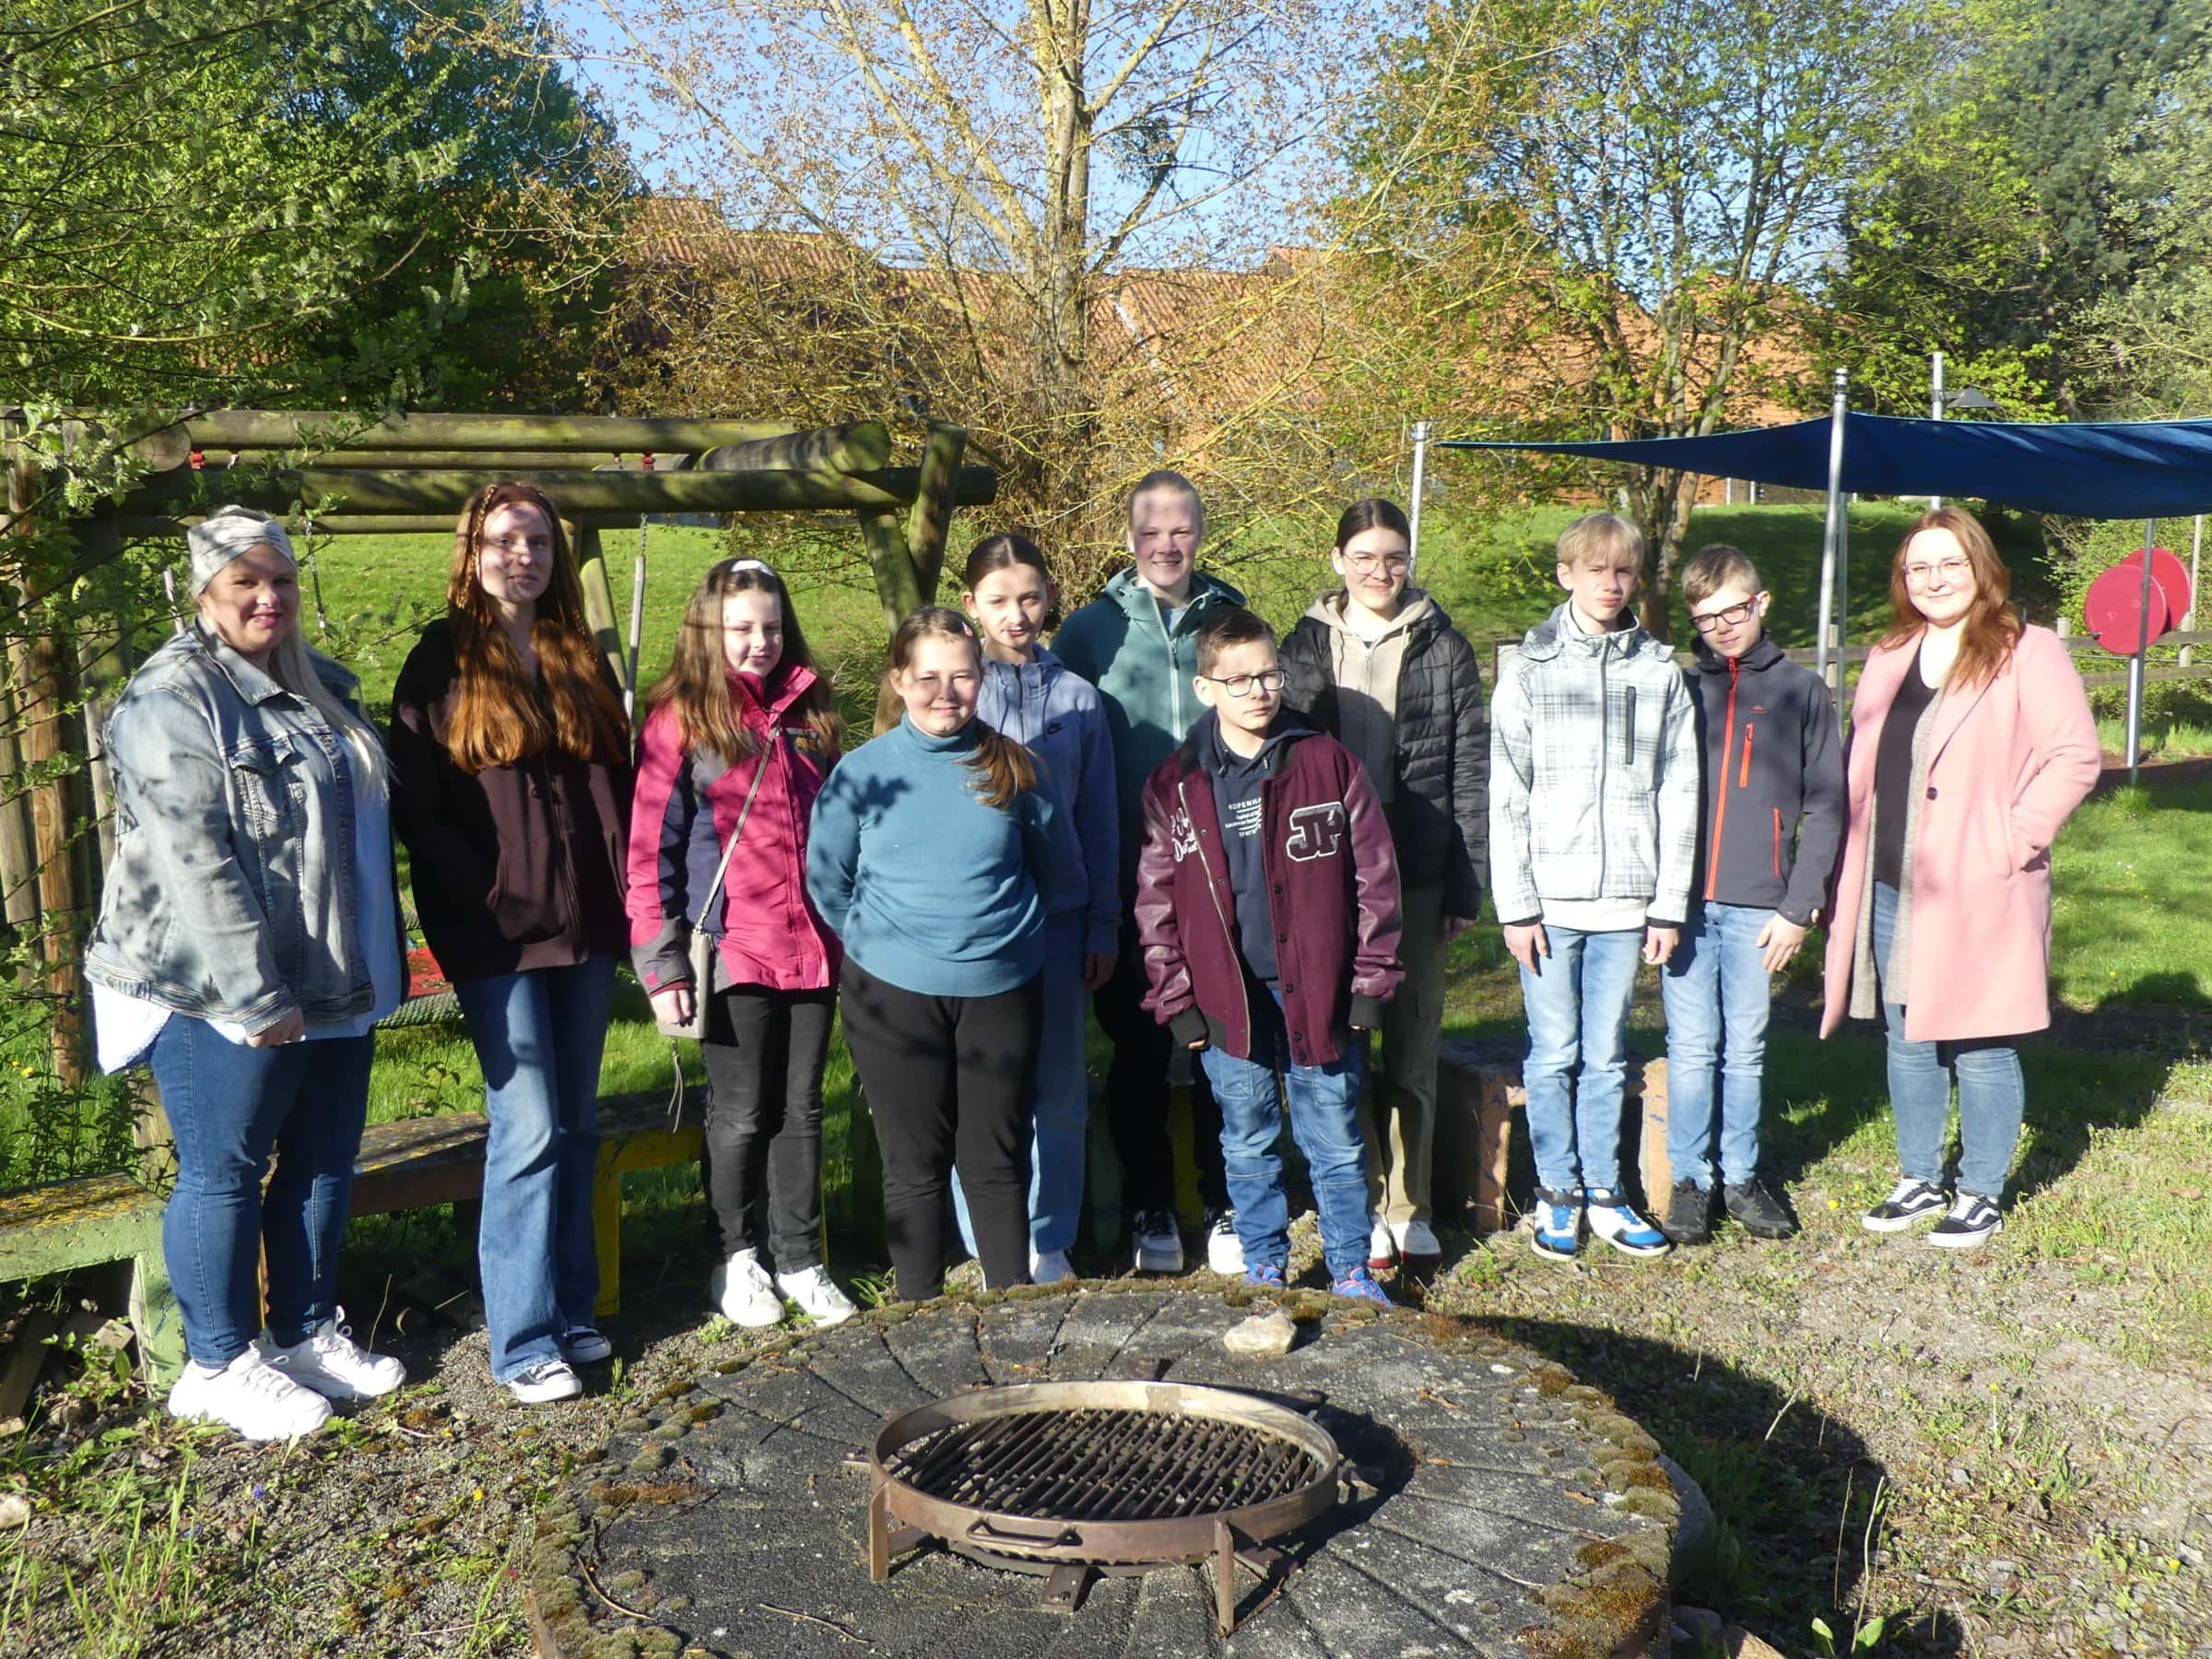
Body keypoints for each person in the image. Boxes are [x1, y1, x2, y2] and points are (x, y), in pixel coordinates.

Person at [84, 506, 406, 1441]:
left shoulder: (320, 686)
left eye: (282, 581)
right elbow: (197, 858)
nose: (269, 598)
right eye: (245, 584)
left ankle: (303, 1333)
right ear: (203, 593)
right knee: (224, 1168)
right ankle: (218, 1363)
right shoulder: (169, 701)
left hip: (332, 975)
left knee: (319, 1161)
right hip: (214, 984)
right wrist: (254, 994)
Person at [388, 481, 633, 1403]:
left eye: (536, 540)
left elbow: (613, 789)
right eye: (504, 540)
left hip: (585, 928)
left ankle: (573, 1308)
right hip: (495, 934)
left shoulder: (577, 653)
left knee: (575, 1122)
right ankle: (522, 1337)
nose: (521, 555)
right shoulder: (438, 661)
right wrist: (479, 895)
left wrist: (626, 901)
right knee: (526, 1124)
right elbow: (418, 802)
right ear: (472, 551)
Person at [1820, 507, 2098, 1248]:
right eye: (1919, 566)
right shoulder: (1888, 654)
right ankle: (1918, 1176)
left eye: (1949, 563)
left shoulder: (2026, 651)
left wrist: (2012, 840)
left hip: (1978, 883)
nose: (1934, 579)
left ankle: (1980, 1188)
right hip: (1892, 881)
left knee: (1979, 1040)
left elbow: (2074, 755)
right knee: (1906, 1035)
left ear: (1980, 569)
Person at [806, 606, 1085, 1302]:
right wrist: (893, 943)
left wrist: (992, 940)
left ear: (982, 677)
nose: (945, 693)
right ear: (899, 680)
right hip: (892, 994)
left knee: (993, 1159)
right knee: (913, 1164)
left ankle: (1011, 1310)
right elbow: (827, 882)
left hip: (1002, 988)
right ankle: (918, 1320)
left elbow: (1060, 880)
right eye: (927, 677)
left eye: (962, 676)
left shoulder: (1018, 769)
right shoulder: (861, 774)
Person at [1134, 605, 1405, 1304]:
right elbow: (1155, 899)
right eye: (1239, 680)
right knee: (1247, 1139)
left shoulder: (1326, 761)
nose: (1258, 691)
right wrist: (1176, 1000)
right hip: (1229, 999)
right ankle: (1264, 1261)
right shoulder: (1177, 783)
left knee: (1335, 1136)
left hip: (1321, 991)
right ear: (1205, 688)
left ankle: (1348, 1268)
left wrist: (1369, 983)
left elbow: (1375, 877)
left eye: (1268, 675)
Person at [627, 559, 856, 1330]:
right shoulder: (681, 721)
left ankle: (801, 1257)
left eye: (770, 626)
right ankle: (736, 1257)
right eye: (740, 629)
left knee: (803, 1111)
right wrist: (661, 964)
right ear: (708, 631)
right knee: (741, 1112)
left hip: (813, 945)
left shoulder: (810, 713)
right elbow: (649, 850)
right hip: (732, 947)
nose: (758, 642)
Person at [1280, 498, 1486, 1274]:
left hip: (1419, 866)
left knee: (1413, 1045)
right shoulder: (1301, 645)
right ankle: (1358, 1201)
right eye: (1363, 557)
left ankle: (1412, 1205)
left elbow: (1470, 768)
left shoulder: (1445, 644)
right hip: (1329, 873)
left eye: (1393, 556)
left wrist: (1467, 883)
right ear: (1337, 561)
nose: (1379, 571)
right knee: (1341, 1041)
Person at [1490, 512, 1698, 1263]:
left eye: (1623, 571)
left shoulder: (1659, 671)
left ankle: (1606, 1193)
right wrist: (1516, 906)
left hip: (1628, 902)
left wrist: (1668, 902)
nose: (1610, 585)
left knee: (1606, 1055)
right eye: (1595, 569)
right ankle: (1557, 1192)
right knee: (1552, 1053)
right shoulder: (1531, 670)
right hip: (1548, 904)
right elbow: (1506, 795)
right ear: (1565, 574)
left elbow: (1681, 791)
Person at [1053, 470, 1240, 1275]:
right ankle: (1147, 1206)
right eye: (1151, 530)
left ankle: (1228, 1199)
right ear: (1129, 538)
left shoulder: (1230, 617)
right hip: (1132, 879)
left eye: (1183, 529)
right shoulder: (1089, 633)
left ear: (1202, 532)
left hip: (1225, 876)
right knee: (1137, 1051)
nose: (1168, 545)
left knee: (1225, 1047)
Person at [1658, 545, 1844, 1245]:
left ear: (1760, 602)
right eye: (1706, 618)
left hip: (1760, 905)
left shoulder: (1803, 692)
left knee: (1745, 1048)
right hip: (1681, 907)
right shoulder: (1680, 690)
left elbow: (1827, 807)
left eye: (1734, 610)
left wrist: (1799, 907)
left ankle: (1739, 1175)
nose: (1723, 626)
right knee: (1692, 1045)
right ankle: (1689, 1180)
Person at [947, 535, 1120, 1285]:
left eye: (1029, 598)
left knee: (1058, 1088)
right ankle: (990, 1242)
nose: (1016, 616)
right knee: (983, 1087)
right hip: (977, 927)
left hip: (1060, 924)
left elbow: (1101, 820)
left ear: (1050, 595)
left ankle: (1048, 1240)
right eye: (997, 601)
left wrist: (1103, 920)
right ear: (970, 607)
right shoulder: (954, 694)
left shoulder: (1081, 699)